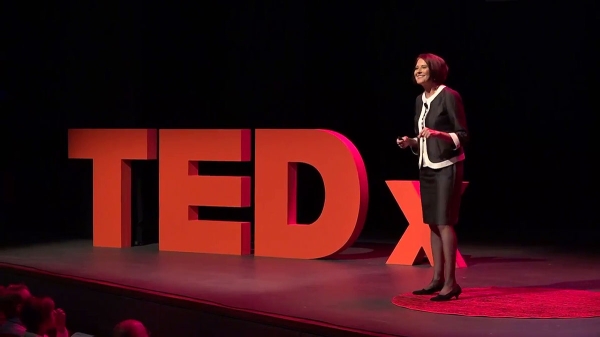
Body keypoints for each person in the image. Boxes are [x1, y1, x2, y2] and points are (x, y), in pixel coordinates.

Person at [397, 53, 468, 301]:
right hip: (426, 165)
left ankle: (451, 283)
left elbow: (463, 135)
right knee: (432, 222)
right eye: (415, 67)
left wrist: (439, 134)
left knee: (445, 221)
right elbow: (424, 135)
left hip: (447, 165)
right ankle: (436, 279)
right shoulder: (419, 100)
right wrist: (412, 142)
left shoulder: (450, 96)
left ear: (435, 69)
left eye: (422, 67)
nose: (417, 71)